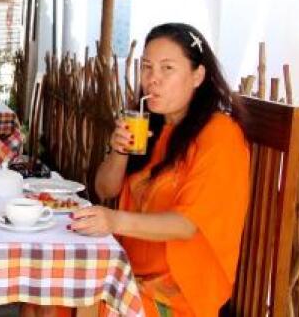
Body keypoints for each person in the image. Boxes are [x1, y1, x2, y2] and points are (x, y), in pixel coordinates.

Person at [70, 23, 250, 316]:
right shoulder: (151, 125)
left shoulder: (219, 135)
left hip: (179, 292)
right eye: (147, 67)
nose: (153, 79)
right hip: (129, 272)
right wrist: (119, 151)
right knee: (45, 297)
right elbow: (105, 189)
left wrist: (114, 221)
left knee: (74, 302)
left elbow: (186, 225)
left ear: (197, 76)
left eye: (167, 68)